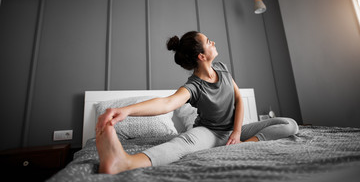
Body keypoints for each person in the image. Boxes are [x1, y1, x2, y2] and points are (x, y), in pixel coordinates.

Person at [95, 31, 299, 174]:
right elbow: (167, 103)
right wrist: (126, 111)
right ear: (201, 56)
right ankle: (124, 162)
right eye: (209, 41)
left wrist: (237, 135)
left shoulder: (222, 68)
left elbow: (238, 99)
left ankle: (242, 146)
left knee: (290, 124)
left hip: (234, 132)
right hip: (208, 133)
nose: (213, 42)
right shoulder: (194, 86)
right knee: (179, 145)